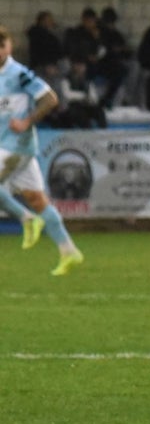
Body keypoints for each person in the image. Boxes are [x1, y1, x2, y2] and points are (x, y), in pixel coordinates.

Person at [0, 24, 84, 275]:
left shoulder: (19, 74)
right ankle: (69, 252)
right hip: (10, 147)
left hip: (16, 146)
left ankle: (25, 218)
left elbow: (50, 99)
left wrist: (27, 121)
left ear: (9, 46)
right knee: (38, 200)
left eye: (1, 46)